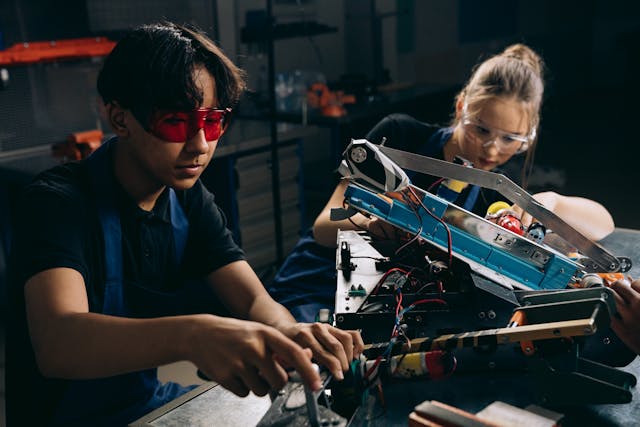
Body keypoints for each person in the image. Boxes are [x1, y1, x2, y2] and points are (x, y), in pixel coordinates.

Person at [6, 22, 363, 427]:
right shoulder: (58, 204)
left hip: (145, 405)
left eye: (212, 122)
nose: (201, 145)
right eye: (176, 122)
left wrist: (291, 333)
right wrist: (193, 335)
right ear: (120, 119)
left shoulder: (186, 199)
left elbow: (251, 301)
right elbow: (59, 342)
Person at [268, 43, 615, 323]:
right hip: (316, 286)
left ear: (530, 135)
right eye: (481, 130)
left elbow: (603, 224)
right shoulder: (400, 135)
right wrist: (374, 223)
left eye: (511, 139)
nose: (493, 149)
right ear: (462, 106)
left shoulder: (495, 191)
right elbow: (323, 228)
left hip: (386, 304)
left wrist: (549, 204)